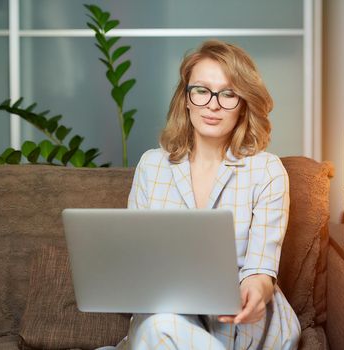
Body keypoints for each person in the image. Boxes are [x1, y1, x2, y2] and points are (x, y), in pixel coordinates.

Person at [120, 40, 300, 349]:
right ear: (186, 99)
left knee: (158, 332)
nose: (213, 104)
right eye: (201, 90)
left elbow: (261, 269)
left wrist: (256, 290)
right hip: (166, 318)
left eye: (228, 94)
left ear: (243, 103)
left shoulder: (266, 170)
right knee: (160, 326)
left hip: (241, 324)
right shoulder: (152, 165)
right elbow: (138, 262)